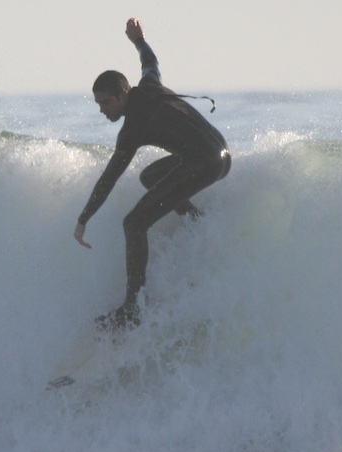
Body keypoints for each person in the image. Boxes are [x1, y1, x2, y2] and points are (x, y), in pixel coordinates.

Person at [74, 18, 231, 330]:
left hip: (204, 162)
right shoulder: (149, 85)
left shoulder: (132, 129)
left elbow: (109, 178)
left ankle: (132, 309)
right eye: (98, 103)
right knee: (150, 175)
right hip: (221, 155)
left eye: (106, 102)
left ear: (122, 94)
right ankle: (195, 220)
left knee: (133, 224)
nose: (102, 109)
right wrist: (138, 41)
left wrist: (83, 219)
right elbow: (150, 61)